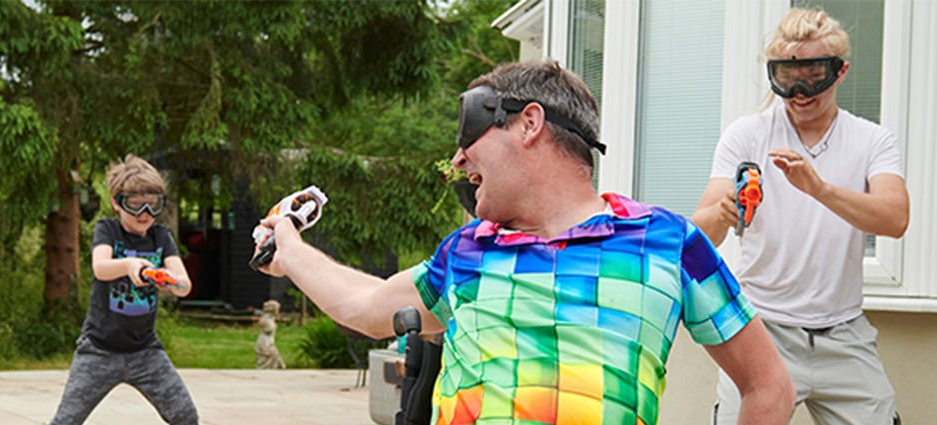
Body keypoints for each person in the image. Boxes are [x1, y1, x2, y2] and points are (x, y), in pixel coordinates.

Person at [256, 61, 794, 425]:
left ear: (529, 123)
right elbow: (368, 307)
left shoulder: (669, 245)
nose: (459, 159)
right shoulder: (467, 251)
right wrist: (289, 247)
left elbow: (768, 387)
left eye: (469, 135)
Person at [691, 8, 909, 425]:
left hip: (844, 331)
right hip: (762, 330)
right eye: (787, 79)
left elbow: (895, 218)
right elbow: (699, 236)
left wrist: (820, 190)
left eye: (813, 76)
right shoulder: (747, 134)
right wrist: (722, 213)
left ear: (840, 72)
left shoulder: (872, 139)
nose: (800, 92)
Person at [50, 154, 197, 425]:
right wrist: (130, 265)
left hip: (146, 351)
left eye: (153, 205)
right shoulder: (107, 230)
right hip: (98, 351)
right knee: (65, 421)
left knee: (186, 417)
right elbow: (101, 267)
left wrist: (169, 278)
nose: (145, 215)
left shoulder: (161, 237)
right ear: (117, 204)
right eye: (136, 205)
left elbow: (184, 285)